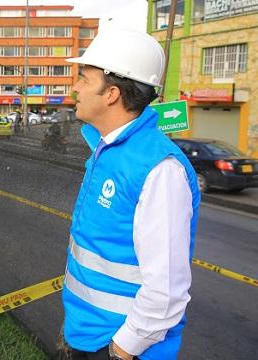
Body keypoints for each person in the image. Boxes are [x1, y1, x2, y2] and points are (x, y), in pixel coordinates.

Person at [59, 29, 200, 360]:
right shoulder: (106, 149)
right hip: (87, 335)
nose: (75, 87)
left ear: (111, 93)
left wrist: (121, 350)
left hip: (121, 349)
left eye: (84, 78)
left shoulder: (159, 169)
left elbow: (166, 292)